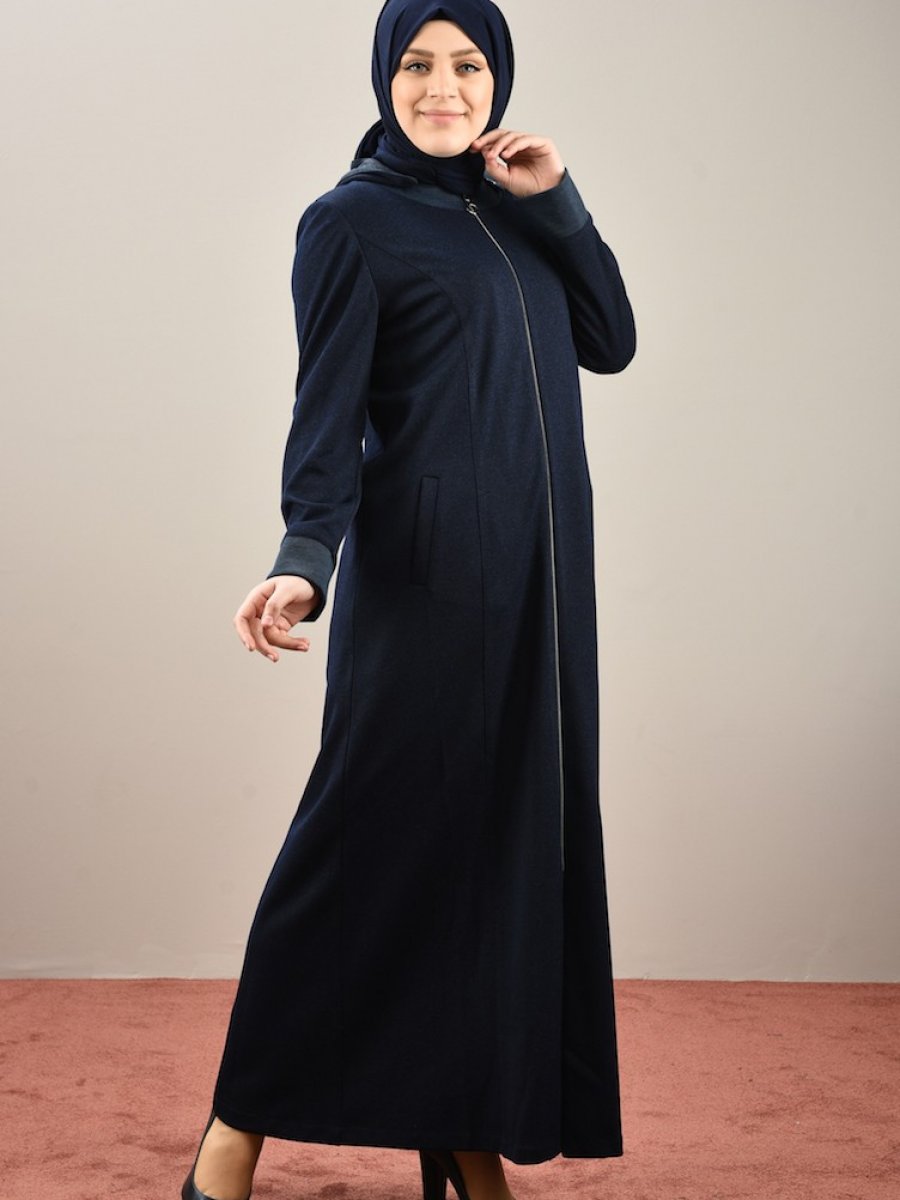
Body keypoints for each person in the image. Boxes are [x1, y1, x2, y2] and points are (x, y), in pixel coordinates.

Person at [180, 1, 635, 1198]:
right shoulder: (348, 221)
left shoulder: (518, 208)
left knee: (495, 860)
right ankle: (233, 1129)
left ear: (499, 79)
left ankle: (464, 1132)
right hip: (429, 591)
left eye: (469, 65)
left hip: (541, 595)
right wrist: (303, 559)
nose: (445, 87)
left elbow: (611, 338)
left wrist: (559, 199)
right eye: (420, 64)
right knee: (363, 853)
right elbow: (325, 416)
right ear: (385, 77)